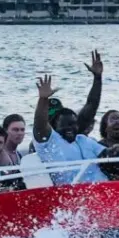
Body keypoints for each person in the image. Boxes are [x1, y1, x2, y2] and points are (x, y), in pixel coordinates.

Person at [34, 53, 106, 185]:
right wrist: (43, 99)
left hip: (104, 190)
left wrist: (97, 78)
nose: (70, 128)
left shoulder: (82, 139)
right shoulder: (49, 143)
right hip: (74, 197)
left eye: (73, 124)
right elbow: (39, 124)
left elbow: (91, 105)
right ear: (53, 124)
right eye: (65, 125)